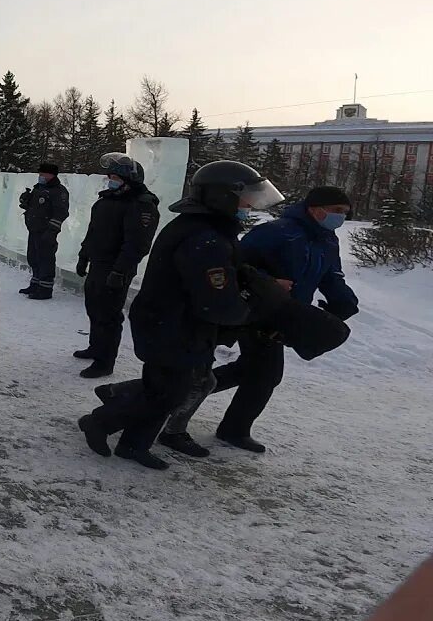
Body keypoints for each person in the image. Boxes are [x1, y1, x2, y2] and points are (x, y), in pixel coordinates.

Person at [77, 160, 287, 470]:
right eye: (245, 199)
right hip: (172, 324)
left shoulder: (207, 229)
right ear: (222, 197)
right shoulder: (205, 239)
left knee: (167, 389)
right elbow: (216, 299)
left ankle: (133, 444)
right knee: (167, 392)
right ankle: (100, 422)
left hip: (178, 322)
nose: (249, 206)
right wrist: (250, 307)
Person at [157, 185, 359, 456]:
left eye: (345, 212)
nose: (341, 217)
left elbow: (331, 275)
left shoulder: (327, 239)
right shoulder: (278, 232)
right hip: (256, 309)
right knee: (266, 373)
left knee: (251, 371)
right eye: (337, 211)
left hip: (286, 312)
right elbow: (237, 265)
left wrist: (343, 301)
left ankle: (143, 395)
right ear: (315, 208)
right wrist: (267, 284)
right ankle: (220, 424)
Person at [73, 153, 160, 378]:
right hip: (98, 264)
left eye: (114, 178)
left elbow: (137, 243)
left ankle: (105, 361)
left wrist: (120, 270)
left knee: (109, 315)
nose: (110, 181)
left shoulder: (141, 205)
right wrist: (84, 255)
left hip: (117, 266)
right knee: (94, 308)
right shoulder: (106, 200)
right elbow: (93, 232)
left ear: (129, 180)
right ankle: (95, 347)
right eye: (109, 177)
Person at [19, 162, 69, 300]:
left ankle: (45, 288)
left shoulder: (58, 191)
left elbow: (61, 212)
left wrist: (52, 231)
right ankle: (35, 284)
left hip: (46, 232)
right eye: (39, 174)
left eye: (42, 174)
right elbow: (34, 207)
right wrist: (25, 201)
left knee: (45, 259)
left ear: (50, 174)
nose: (40, 176)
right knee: (33, 258)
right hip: (34, 229)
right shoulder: (39, 188)